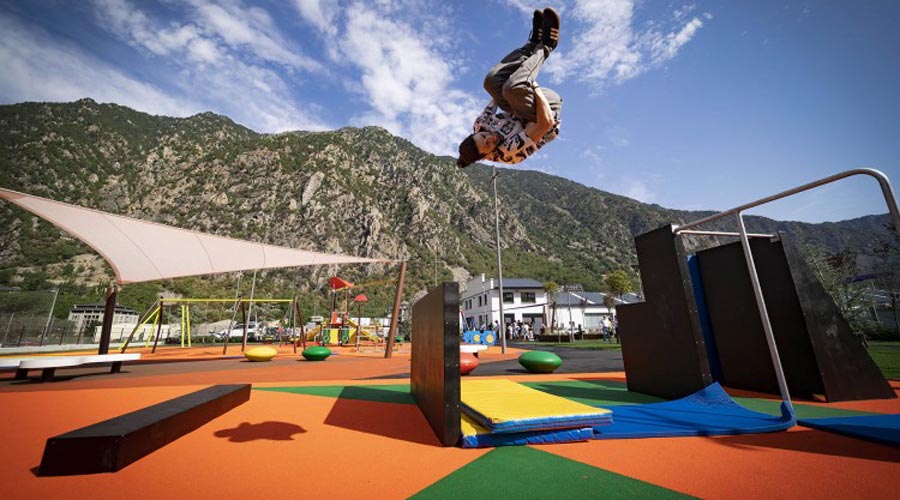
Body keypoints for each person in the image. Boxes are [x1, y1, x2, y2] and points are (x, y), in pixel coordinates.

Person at [457, 7, 562, 168]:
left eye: (483, 136)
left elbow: (495, 94)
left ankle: (532, 45)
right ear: (486, 155)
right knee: (512, 89)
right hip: (547, 111)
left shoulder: (480, 125)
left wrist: (503, 80)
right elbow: (545, 123)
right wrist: (533, 86)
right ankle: (547, 45)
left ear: (476, 133)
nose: (489, 137)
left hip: (520, 107)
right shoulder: (508, 151)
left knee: (491, 82)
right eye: (487, 144)